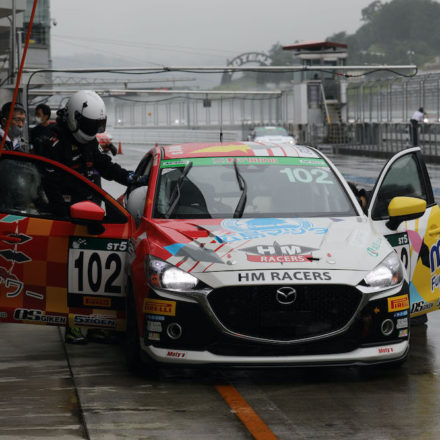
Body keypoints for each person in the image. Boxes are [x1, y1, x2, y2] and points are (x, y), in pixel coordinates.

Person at [37, 90, 146, 344]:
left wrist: (129, 178)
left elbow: (104, 165)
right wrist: (66, 219)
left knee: (91, 277)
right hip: (68, 218)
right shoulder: (52, 142)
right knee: (71, 274)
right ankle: (74, 324)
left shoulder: (88, 141)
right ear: (74, 118)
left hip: (92, 212)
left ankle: (95, 323)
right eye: (89, 124)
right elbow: (50, 187)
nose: (93, 129)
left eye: (97, 125)